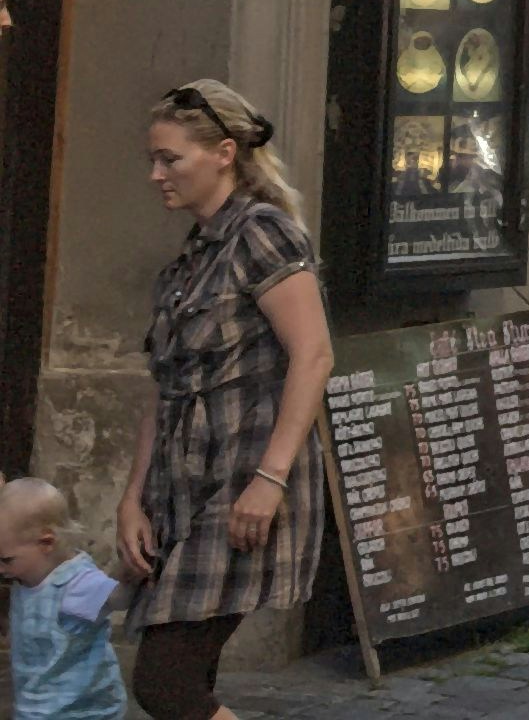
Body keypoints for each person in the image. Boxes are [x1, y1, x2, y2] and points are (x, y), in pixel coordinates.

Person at [116, 82, 329, 720]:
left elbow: (313, 355)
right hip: (181, 487)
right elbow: (165, 387)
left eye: (170, 159)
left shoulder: (263, 236)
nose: (156, 174)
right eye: (153, 159)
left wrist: (269, 480)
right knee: (187, 675)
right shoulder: (187, 262)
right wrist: (132, 498)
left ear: (224, 153)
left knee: (166, 684)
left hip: (243, 482)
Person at [6, 478, 121, 720]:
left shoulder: (75, 583)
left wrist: (131, 571)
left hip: (82, 711)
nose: (0, 569)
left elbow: (117, 598)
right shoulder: (24, 577)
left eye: (6, 560)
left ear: (46, 542)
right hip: (37, 706)